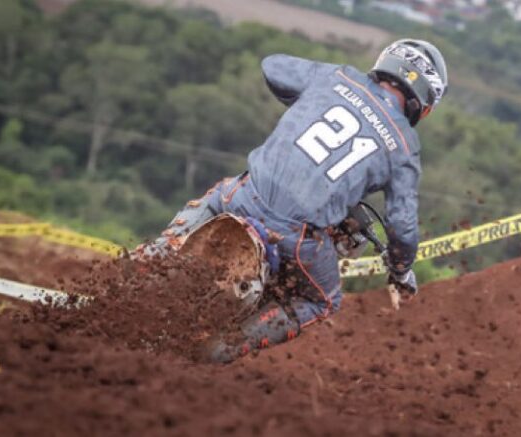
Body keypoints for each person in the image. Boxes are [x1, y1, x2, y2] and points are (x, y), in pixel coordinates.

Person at [142, 39, 448, 362]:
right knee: (324, 300)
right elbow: (402, 226)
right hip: (296, 238)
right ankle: (220, 349)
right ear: (423, 105)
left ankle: (152, 256)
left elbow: (272, 65)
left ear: (384, 63)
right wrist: (400, 270)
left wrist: (307, 98)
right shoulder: (404, 146)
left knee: (218, 198)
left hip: (244, 196)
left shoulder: (336, 77)